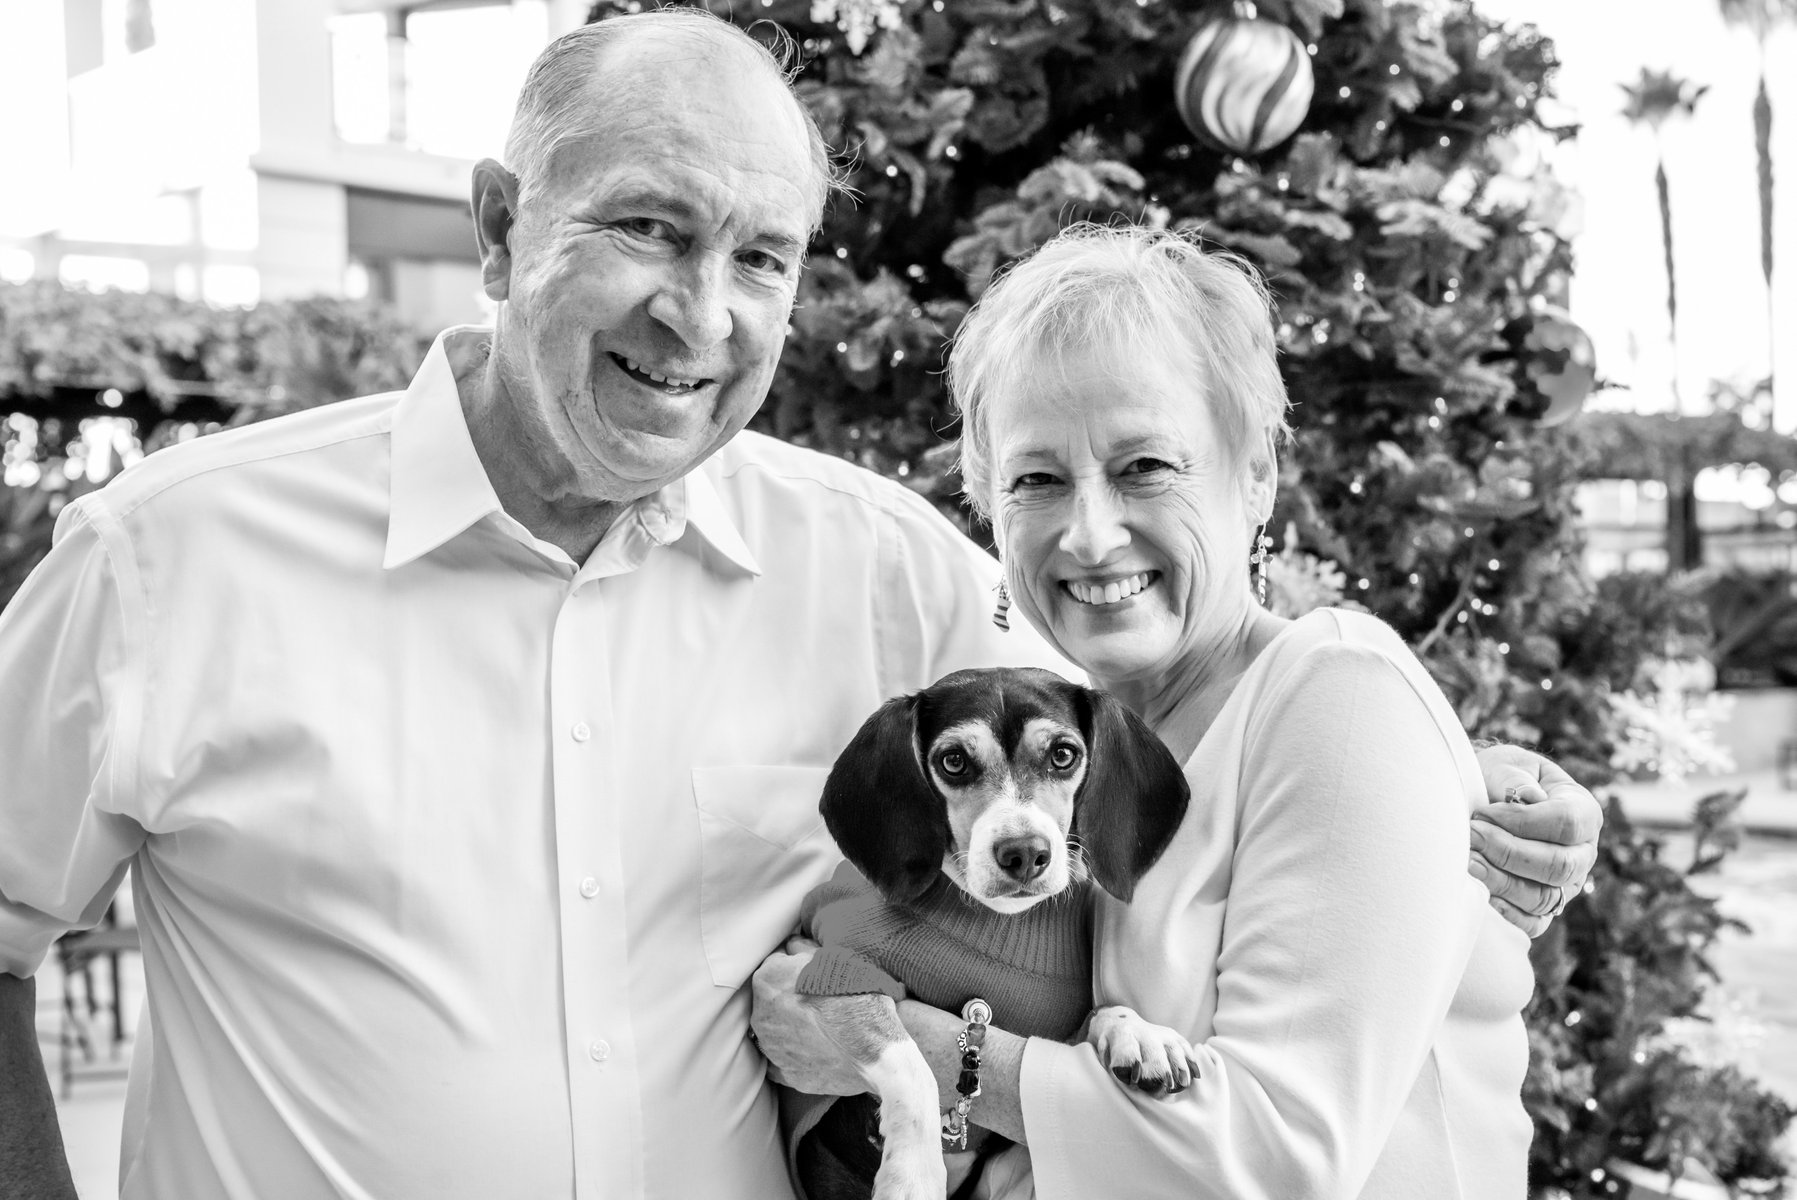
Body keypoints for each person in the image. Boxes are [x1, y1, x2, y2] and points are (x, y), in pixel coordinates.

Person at [0, 13, 1593, 1200]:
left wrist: (1477, 801)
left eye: (763, 256)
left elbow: (1179, 688)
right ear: (497, 228)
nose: (702, 313)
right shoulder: (171, 563)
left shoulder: (878, 567)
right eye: (649, 226)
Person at [751, 225, 1550, 1199]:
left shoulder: (1341, 696)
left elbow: (1274, 1156)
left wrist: (906, 1051)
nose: (1090, 535)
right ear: (989, 509)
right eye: (1037, 480)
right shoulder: (1074, 744)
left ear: (1256, 475)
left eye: (1144, 467)